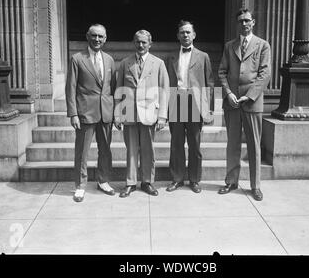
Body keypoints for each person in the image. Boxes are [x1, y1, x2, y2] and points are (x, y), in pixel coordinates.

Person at [217, 8, 271, 201]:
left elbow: (265, 74)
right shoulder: (229, 46)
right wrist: (229, 93)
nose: (244, 24)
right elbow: (222, 72)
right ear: (237, 24)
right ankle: (231, 181)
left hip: (252, 103)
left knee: (254, 145)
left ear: (253, 22)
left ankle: (255, 186)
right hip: (232, 103)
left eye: (247, 20)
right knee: (232, 144)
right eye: (240, 21)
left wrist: (250, 95)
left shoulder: (262, 45)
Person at [114, 30, 170, 198]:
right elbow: (119, 90)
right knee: (131, 150)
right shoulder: (125, 63)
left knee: (147, 150)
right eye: (138, 42)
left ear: (150, 44)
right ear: (134, 43)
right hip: (130, 113)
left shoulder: (158, 63)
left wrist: (162, 115)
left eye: (144, 42)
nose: (141, 45)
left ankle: (147, 182)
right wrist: (118, 114)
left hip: (149, 113)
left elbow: (164, 91)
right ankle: (130, 183)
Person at [65, 24, 117, 202]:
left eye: (100, 37)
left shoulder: (110, 60)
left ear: (105, 38)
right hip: (85, 112)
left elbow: (114, 87)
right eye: (94, 36)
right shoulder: (77, 59)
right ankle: (80, 185)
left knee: (105, 150)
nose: (97, 39)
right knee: (82, 151)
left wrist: (115, 111)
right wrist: (73, 113)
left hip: (106, 112)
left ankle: (103, 181)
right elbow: (70, 88)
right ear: (87, 36)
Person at [165, 20, 214, 193]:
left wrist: (209, 109)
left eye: (188, 32)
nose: (185, 35)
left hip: (195, 102)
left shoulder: (203, 56)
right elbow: (166, 84)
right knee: (176, 143)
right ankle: (177, 178)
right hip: (177, 100)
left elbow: (209, 83)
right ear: (178, 36)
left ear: (194, 35)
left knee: (195, 144)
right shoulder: (171, 57)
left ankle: (194, 179)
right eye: (182, 32)